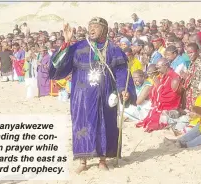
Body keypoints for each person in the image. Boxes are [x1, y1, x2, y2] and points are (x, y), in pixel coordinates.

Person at [49, 17, 136, 172]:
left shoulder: (113, 49)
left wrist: (124, 89)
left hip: (106, 94)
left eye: (96, 27)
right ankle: (83, 162)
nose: (92, 30)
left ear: (104, 29)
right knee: (82, 124)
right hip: (81, 96)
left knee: (105, 123)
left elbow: (122, 71)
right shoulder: (78, 47)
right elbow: (58, 66)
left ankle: (103, 160)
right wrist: (66, 43)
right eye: (90, 26)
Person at [136, 58, 181, 132]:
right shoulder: (162, 76)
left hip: (169, 106)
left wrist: (158, 85)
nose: (158, 70)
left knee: (155, 118)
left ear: (165, 66)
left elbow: (172, 96)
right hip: (158, 104)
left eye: (159, 68)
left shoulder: (173, 77)